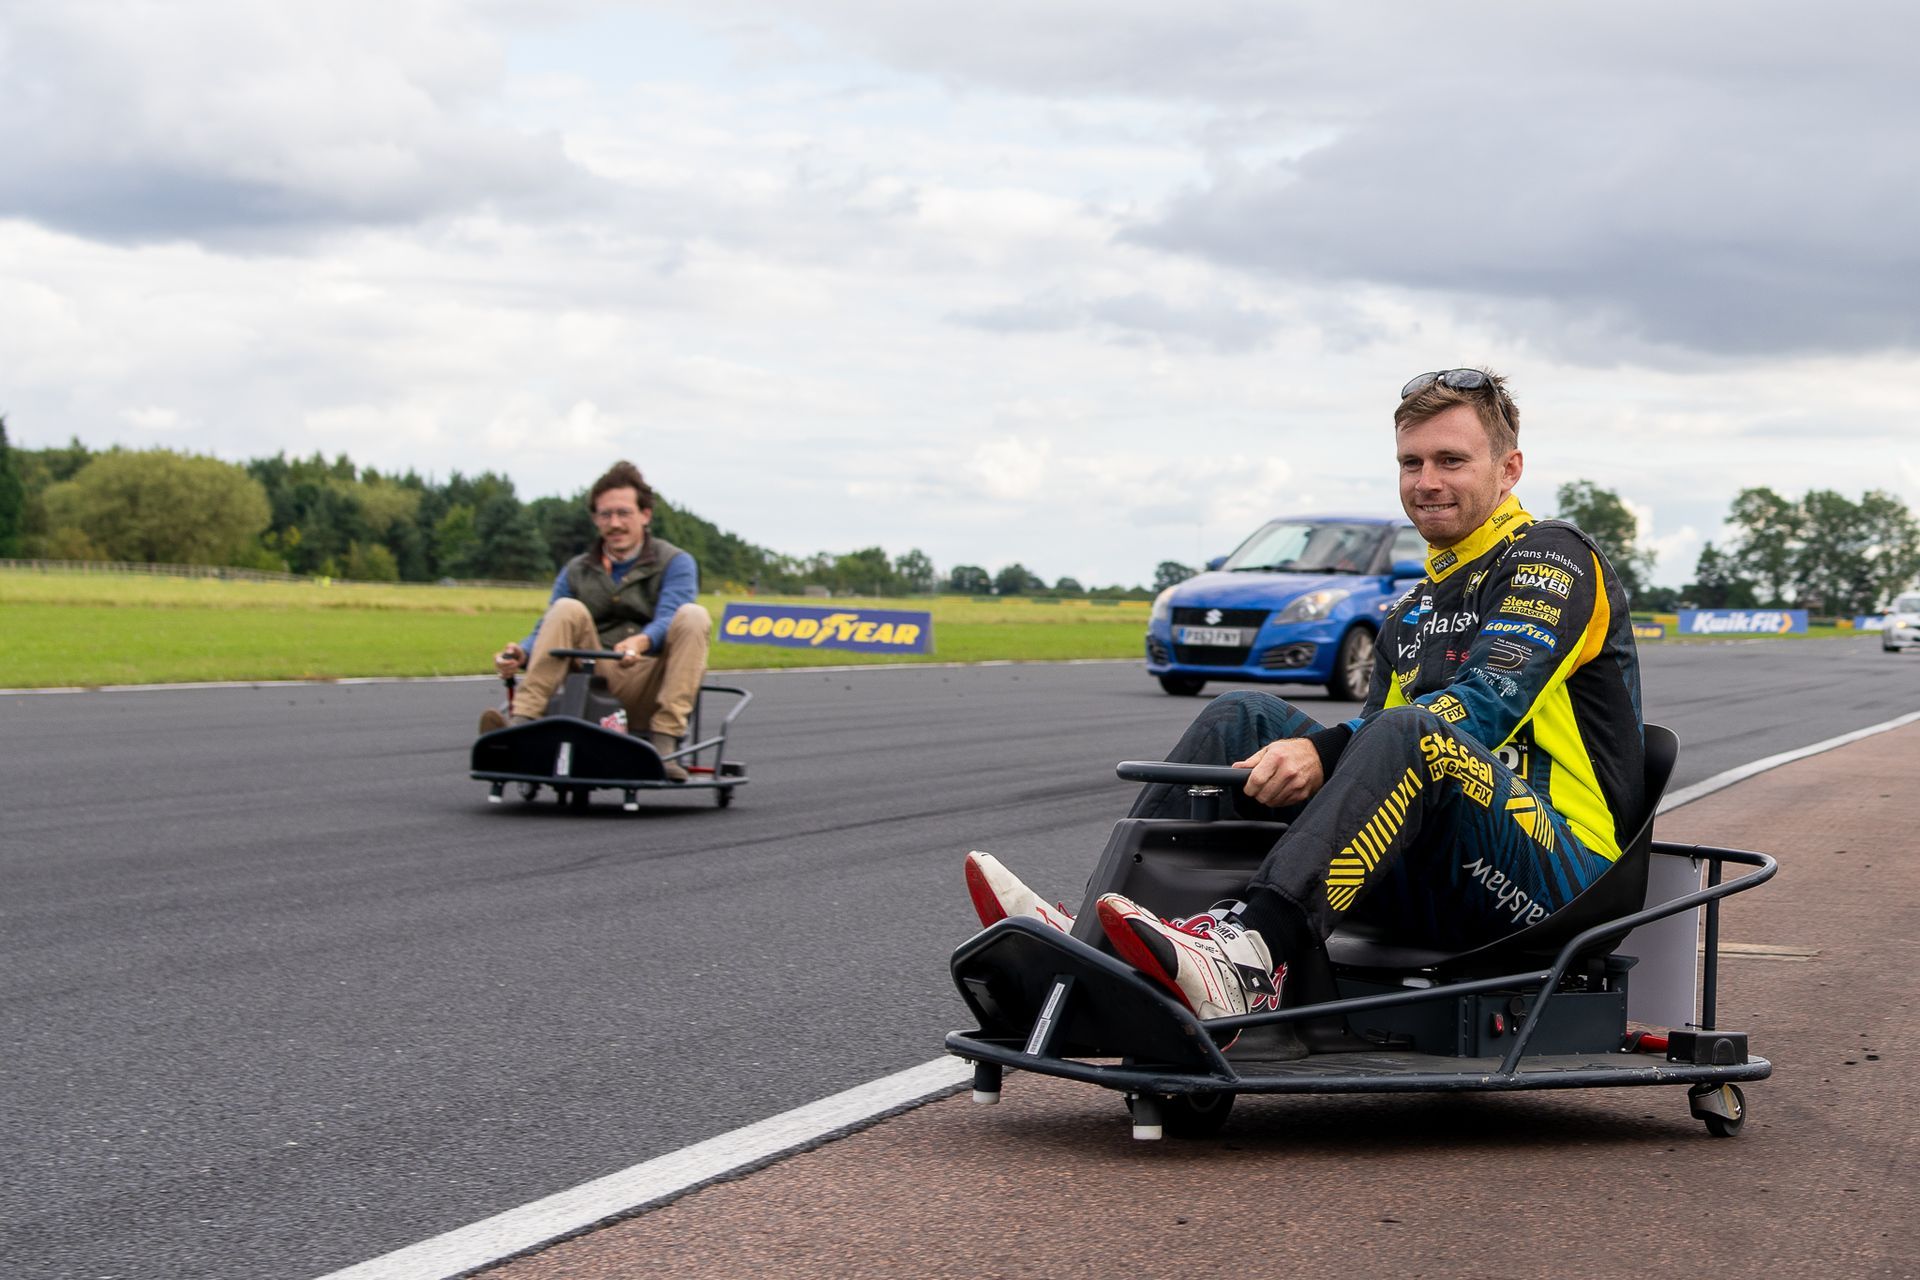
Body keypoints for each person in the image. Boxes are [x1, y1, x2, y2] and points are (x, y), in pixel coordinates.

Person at [967, 368, 1644, 1036]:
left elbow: (1489, 700)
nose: (1427, 481)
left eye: (1451, 460)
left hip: (1562, 876)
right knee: (1243, 717)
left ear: (1509, 468)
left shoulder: (1552, 560)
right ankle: (1095, 932)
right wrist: (1323, 753)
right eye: (1411, 462)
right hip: (1436, 868)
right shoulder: (1412, 609)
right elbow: (1380, 744)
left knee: (1405, 732)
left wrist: (1325, 750)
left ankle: (1250, 963)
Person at [480, 461, 711, 782]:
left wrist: (641, 641)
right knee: (565, 608)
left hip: (648, 678)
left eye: (623, 513)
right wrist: (522, 652)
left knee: (693, 615)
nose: (614, 523)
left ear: (645, 515)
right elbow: (547, 625)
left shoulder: (676, 562)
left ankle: (664, 742)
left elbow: (671, 614)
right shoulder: (577, 568)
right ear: (595, 519)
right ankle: (520, 726)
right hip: (590, 677)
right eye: (605, 515)